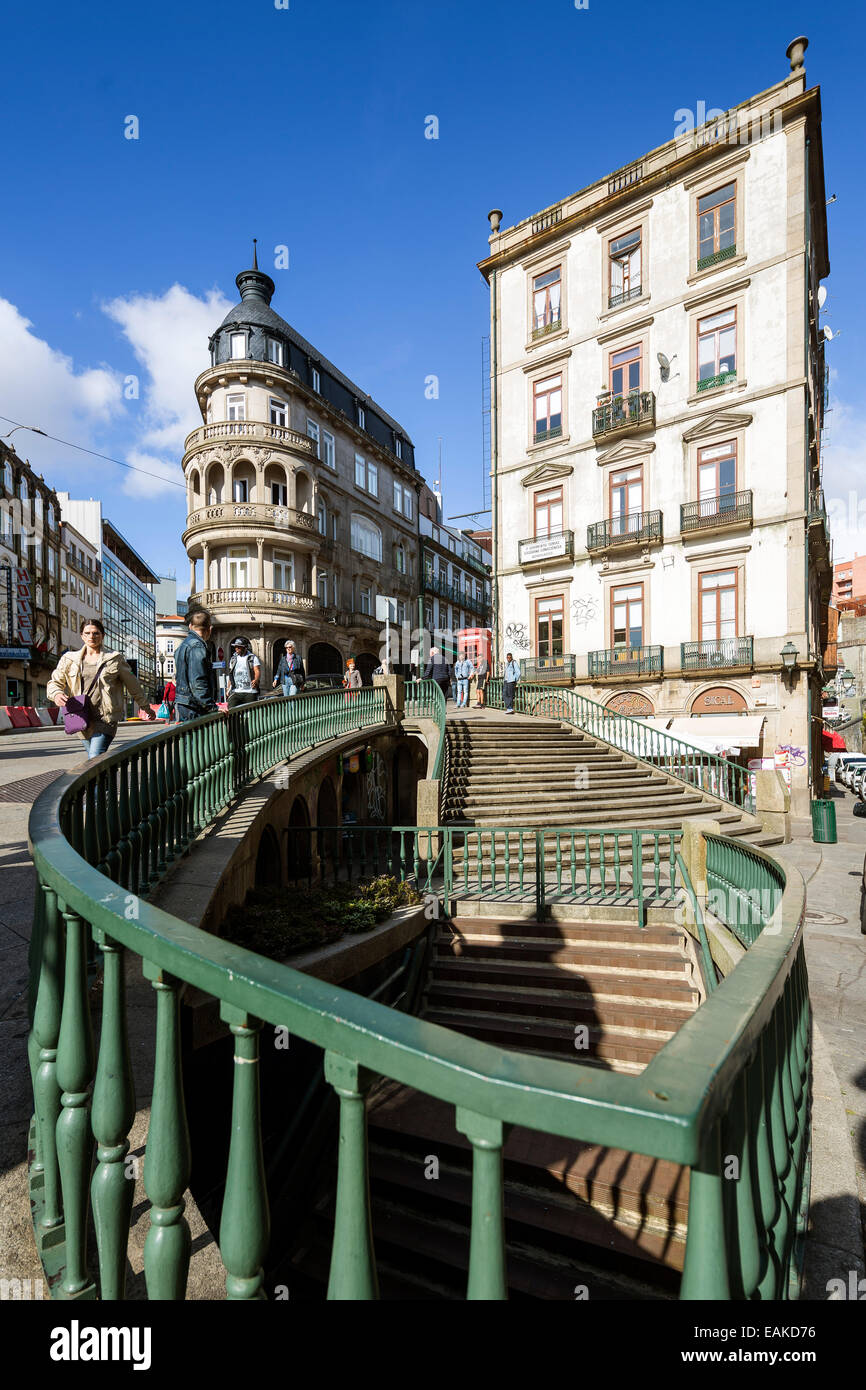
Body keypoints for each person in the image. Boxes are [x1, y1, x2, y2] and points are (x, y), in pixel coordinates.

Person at [48, 617, 156, 759]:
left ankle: (97, 781)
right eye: (87, 633)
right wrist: (56, 694)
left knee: (94, 757)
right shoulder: (69, 659)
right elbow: (55, 682)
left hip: (105, 718)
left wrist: (146, 707)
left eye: (96, 633)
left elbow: (133, 685)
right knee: (96, 762)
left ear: (103, 635)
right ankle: (105, 781)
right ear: (81, 635)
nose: (91, 636)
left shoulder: (114, 659)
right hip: (81, 718)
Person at [174, 610, 219, 723]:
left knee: (188, 740)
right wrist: (212, 708)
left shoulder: (182, 646)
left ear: (190, 626)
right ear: (210, 629)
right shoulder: (197, 647)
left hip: (184, 704)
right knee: (198, 740)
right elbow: (198, 683)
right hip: (194, 707)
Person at [226, 637, 261, 709]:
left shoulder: (252, 658)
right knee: (231, 710)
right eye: (235, 647)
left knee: (252, 713)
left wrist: (256, 680)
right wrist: (228, 688)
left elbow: (257, 670)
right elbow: (231, 674)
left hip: (250, 691)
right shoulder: (233, 659)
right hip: (236, 691)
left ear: (245, 648)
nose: (236, 649)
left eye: (239, 647)